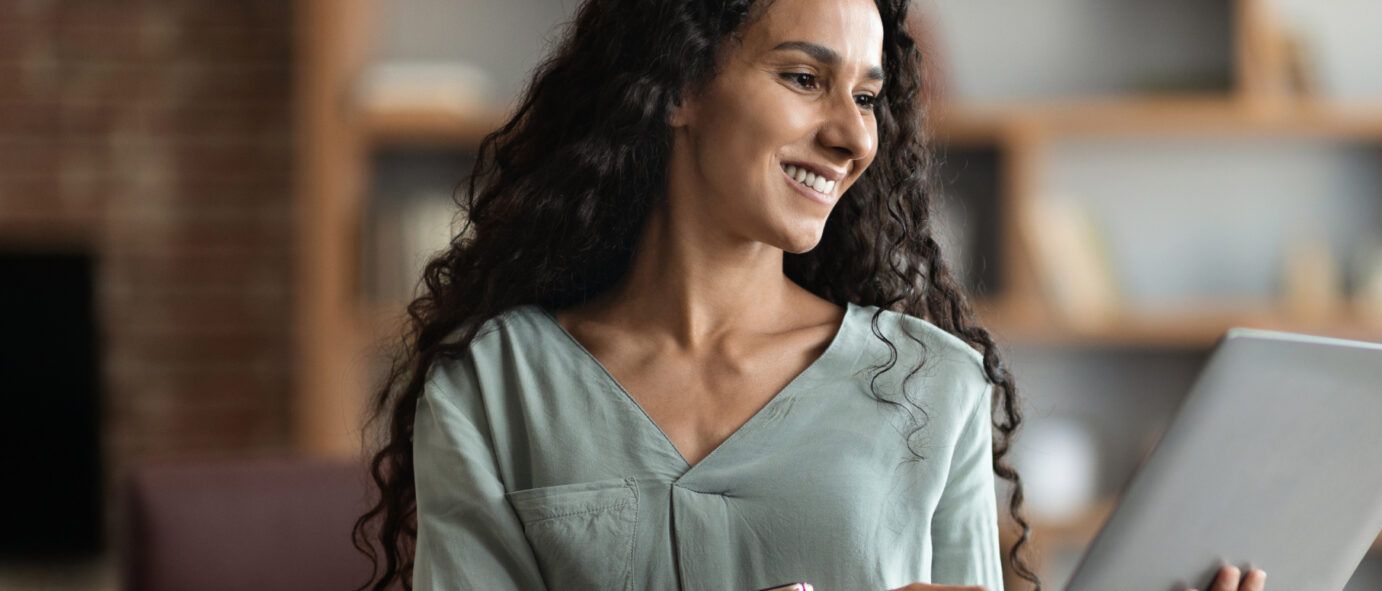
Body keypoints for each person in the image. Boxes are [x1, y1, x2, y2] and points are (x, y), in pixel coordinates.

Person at [351, 0, 1268, 589]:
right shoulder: (495, 384)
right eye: (803, 78)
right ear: (676, 87)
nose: (850, 136)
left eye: (868, 96)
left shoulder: (927, 385)